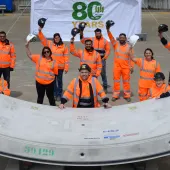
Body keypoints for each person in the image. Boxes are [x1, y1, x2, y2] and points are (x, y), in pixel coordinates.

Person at [38, 27, 69, 101]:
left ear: (60, 38)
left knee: (60, 81)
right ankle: (55, 94)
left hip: (60, 68)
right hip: (52, 67)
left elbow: (66, 58)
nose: (57, 39)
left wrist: (66, 67)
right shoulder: (50, 44)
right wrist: (40, 31)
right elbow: (43, 40)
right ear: (54, 39)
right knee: (53, 82)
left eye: (58, 38)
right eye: (55, 38)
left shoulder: (64, 47)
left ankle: (59, 94)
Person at [25, 42, 58, 106]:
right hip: (39, 83)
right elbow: (29, 55)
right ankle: (38, 111)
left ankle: (54, 111)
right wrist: (27, 47)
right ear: (43, 53)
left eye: (47, 51)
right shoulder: (39, 58)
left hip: (49, 83)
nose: (46, 53)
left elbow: (56, 74)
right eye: (44, 52)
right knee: (40, 98)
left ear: (50, 52)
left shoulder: (54, 62)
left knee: (51, 98)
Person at [106, 27, 134, 102]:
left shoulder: (129, 47)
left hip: (126, 68)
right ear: (119, 38)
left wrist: (131, 66)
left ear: (125, 39)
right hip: (117, 67)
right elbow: (111, 38)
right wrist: (108, 30)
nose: (121, 39)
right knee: (116, 82)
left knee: (126, 82)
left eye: (123, 38)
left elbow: (132, 58)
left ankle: (127, 95)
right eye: (120, 37)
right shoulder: (115, 44)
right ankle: (115, 95)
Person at [80, 28, 110, 93]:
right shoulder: (92, 39)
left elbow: (108, 50)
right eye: (96, 33)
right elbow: (82, 40)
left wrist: (105, 58)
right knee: (92, 73)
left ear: (101, 33)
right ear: (95, 34)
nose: (98, 34)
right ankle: (92, 86)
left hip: (101, 60)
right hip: (93, 59)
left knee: (102, 73)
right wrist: (81, 31)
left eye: (99, 33)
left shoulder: (105, 41)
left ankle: (105, 86)